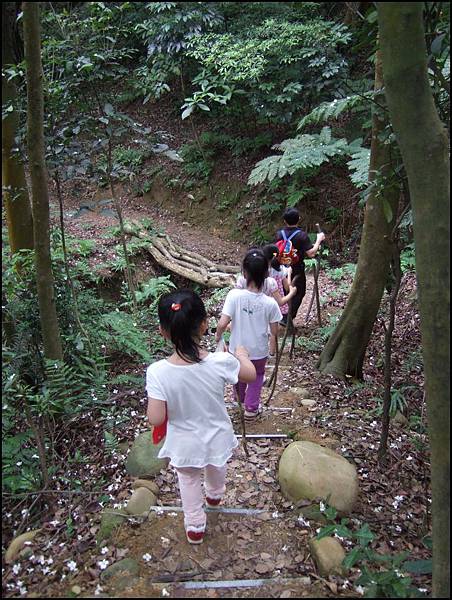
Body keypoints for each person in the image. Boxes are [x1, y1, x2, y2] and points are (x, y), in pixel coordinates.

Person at [146, 289, 256, 545]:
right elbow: (249, 375)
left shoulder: (157, 372)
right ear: (204, 324)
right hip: (216, 435)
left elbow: (155, 417)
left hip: (184, 443)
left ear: (163, 331)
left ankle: (195, 525)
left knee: (188, 479)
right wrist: (241, 355)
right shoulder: (221, 362)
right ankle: (215, 495)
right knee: (216, 465)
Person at [216, 251, 282, 421]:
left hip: (237, 348)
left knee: (238, 373)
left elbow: (223, 323)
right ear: (266, 275)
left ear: (244, 273)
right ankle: (251, 409)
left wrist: (218, 336)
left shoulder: (234, 296)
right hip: (259, 350)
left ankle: (239, 399)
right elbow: (275, 331)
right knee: (257, 376)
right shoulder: (270, 303)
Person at [275, 208, 325, 324]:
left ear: (284, 220)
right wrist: (318, 240)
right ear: (298, 219)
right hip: (296, 268)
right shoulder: (302, 236)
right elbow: (311, 253)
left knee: (283, 291)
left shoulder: (279, 234)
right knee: (299, 292)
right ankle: (287, 317)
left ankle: (281, 316)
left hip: (280, 268)